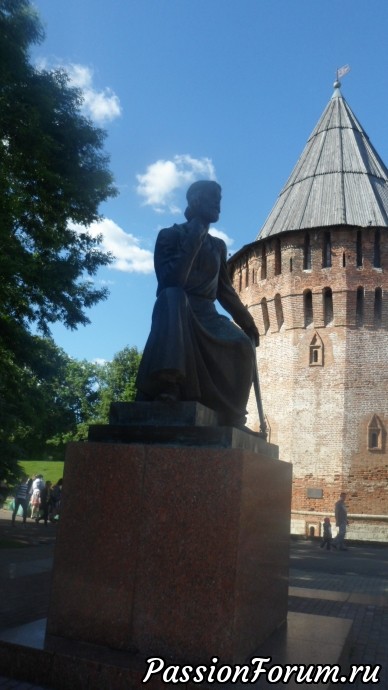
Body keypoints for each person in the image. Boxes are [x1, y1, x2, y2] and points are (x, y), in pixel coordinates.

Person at [136, 180, 260, 428]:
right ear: (194, 201)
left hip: (207, 315)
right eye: (212, 197)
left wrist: (247, 321)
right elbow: (172, 281)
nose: (218, 203)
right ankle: (168, 385)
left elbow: (225, 291)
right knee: (174, 296)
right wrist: (193, 238)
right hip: (176, 313)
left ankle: (234, 414)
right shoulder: (170, 236)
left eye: (220, 199)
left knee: (243, 345)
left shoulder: (217, 246)